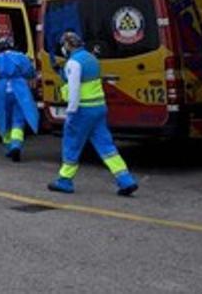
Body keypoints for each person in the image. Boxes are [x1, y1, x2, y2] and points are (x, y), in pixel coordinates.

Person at [48, 31, 138, 196]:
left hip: (82, 110)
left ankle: (64, 180)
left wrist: (71, 111)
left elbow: (74, 88)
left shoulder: (73, 63)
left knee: (72, 144)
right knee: (106, 145)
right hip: (99, 108)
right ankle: (125, 179)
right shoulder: (91, 58)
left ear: (67, 46)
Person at [0, 35, 39, 162]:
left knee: (3, 118)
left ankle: (8, 147)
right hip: (19, 90)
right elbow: (30, 73)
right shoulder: (21, 57)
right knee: (18, 120)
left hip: (2, 91)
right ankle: (16, 145)